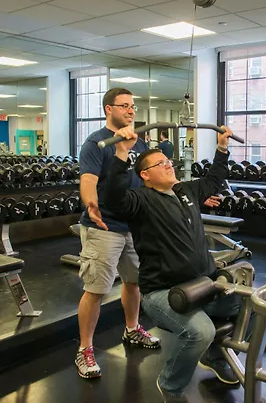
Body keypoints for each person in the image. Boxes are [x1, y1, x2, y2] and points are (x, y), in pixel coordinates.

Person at [104, 125, 242, 403]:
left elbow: (214, 180)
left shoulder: (185, 191)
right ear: (145, 175)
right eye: (161, 163)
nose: (169, 165)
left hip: (203, 285)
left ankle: (215, 355)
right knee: (201, 331)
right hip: (163, 292)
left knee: (246, 308)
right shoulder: (140, 200)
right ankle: (171, 385)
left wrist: (222, 148)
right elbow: (113, 198)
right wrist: (121, 153)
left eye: (168, 161)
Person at [76, 88, 161, 380]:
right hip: (104, 226)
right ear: (108, 109)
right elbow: (88, 180)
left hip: (133, 226)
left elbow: (148, 180)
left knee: (133, 282)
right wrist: (90, 203)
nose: (131, 110)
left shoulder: (139, 143)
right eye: (124, 105)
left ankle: (132, 329)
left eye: (132, 106)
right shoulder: (97, 143)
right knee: (96, 289)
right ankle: (85, 348)